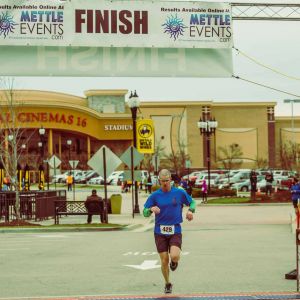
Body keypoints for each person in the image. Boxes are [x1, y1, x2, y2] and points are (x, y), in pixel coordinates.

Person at [143, 169, 195, 294]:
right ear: (159, 181)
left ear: (171, 180)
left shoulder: (179, 193)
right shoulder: (155, 195)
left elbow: (192, 202)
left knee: (175, 256)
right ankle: (167, 283)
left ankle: (174, 262)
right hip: (159, 231)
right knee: (164, 259)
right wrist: (150, 209)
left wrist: (190, 211)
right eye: (162, 181)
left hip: (175, 229)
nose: (165, 183)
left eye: (167, 181)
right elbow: (144, 212)